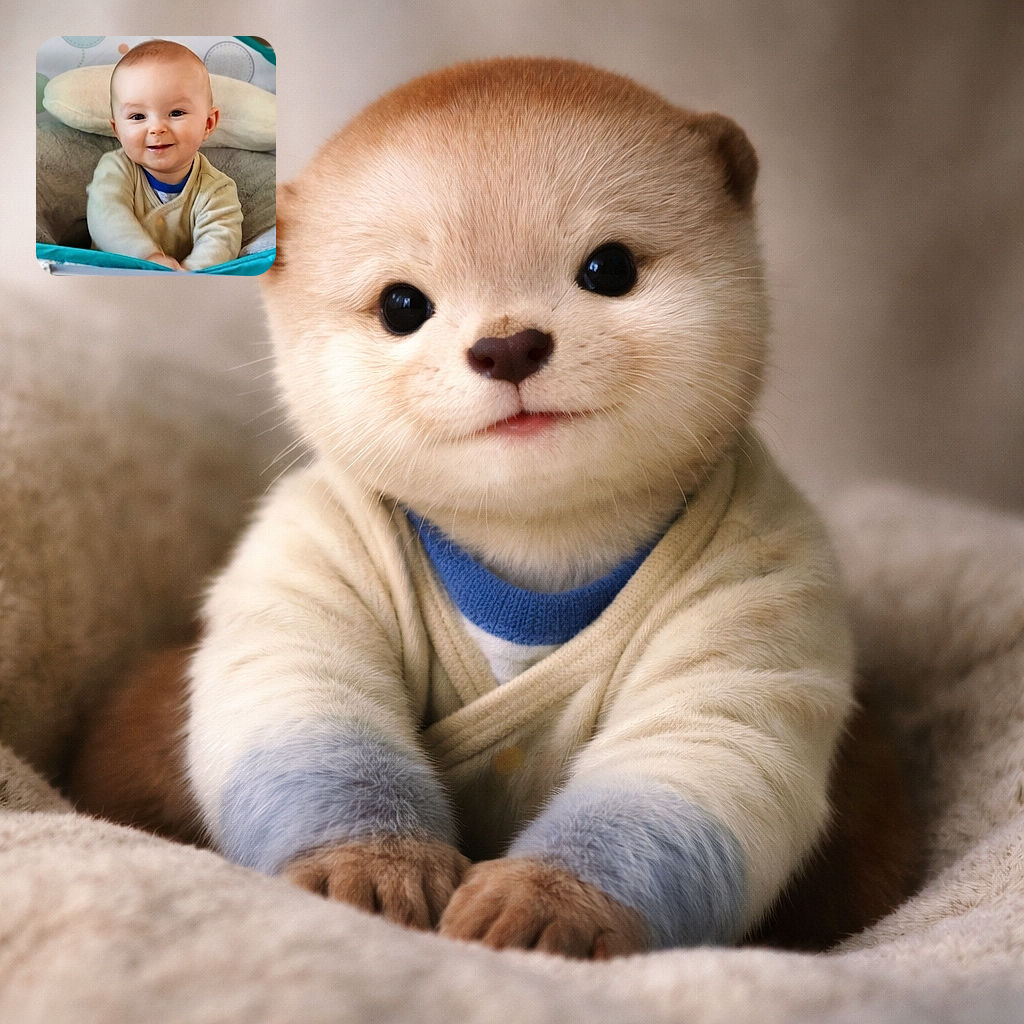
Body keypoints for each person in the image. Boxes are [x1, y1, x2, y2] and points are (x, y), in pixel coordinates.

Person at [87, 40, 242, 271]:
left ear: (208, 124)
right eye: (138, 117)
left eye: (176, 112)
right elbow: (106, 215)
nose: (156, 128)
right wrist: (147, 257)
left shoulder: (217, 189)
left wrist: (186, 276)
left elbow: (221, 241)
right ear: (117, 130)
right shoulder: (115, 168)